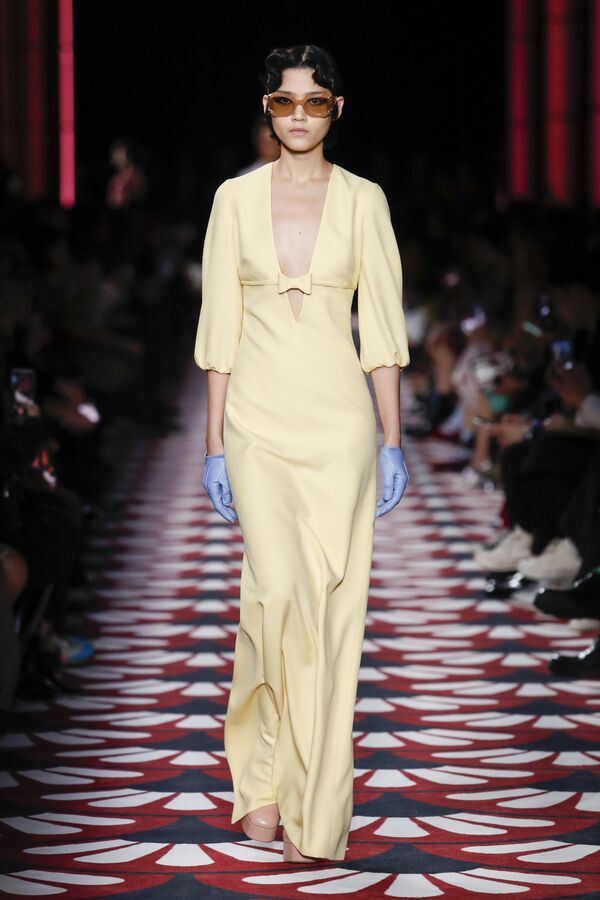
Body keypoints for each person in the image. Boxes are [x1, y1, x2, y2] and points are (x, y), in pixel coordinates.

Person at [193, 44, 410, 864]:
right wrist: (214, 445)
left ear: (337, 110)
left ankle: (309, 813)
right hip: (255, 422)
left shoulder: (364, 201)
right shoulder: (232, 199)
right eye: (284, 102)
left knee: (327, 614)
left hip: (338, 428)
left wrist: (392, 439)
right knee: (278, 594)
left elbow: (381, 330)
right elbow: (218, 329)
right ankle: (262, 777)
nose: (298, 116)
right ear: (267, 108)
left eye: (315, 102)